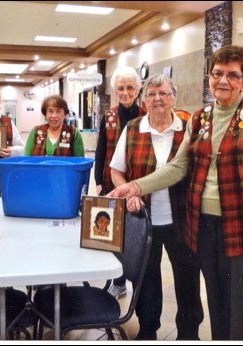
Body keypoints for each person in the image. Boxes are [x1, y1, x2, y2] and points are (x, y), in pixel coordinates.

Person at [110, 46, 243, 340]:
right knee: (215, 297)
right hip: (201, 225)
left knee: (236, 301)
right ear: (209, 77)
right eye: (217, 74)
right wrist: (135, 186)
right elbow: (178, 167)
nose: (223, 80)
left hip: (241, 227)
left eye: (232, 75)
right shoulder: (200, 118)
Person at [109, 74, 203, 340]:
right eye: (151, 94)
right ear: (143, 99)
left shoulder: (189, 128)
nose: (158, 99)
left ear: (175, 97)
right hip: (143, 219)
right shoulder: (133, 128)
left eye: (164, 93)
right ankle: (148, 329)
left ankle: (188, 333)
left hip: (182, 220)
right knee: (146, 280)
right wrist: (129, 194)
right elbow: (116, 171)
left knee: (187, 279)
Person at [95, 66, 146, 299]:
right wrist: (98, 183)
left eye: (130, 88)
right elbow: (100, 151)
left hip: (138, 182)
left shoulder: (146, 114)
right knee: (114, 234)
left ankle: (138, 284)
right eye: (120, 88)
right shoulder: (109, 116)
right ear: (115, 91)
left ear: (138, 90)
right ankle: (118, 282)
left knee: (134, 236)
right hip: (111, 182)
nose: (125, 92)